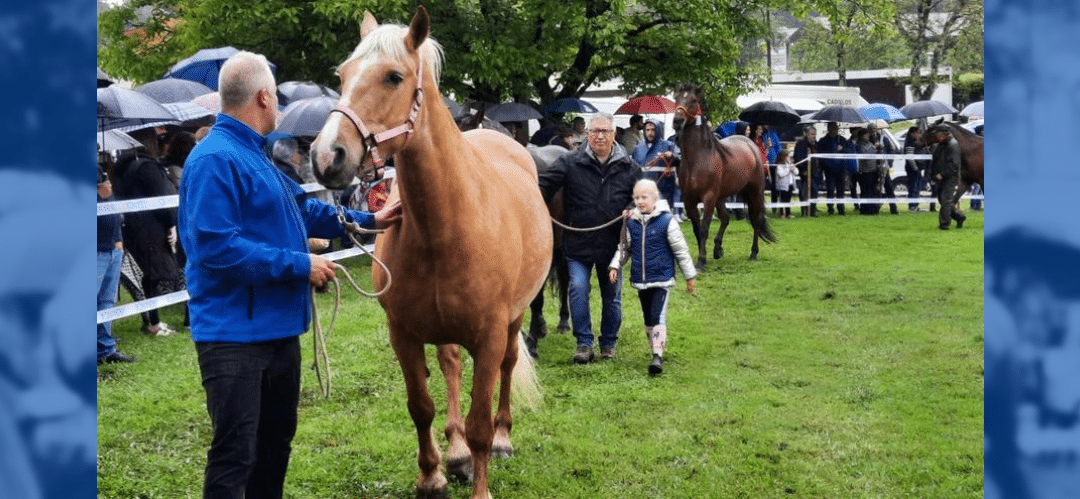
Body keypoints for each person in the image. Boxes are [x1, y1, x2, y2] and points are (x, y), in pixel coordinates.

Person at [177, 51, 402, 498]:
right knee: (235, 455)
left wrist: (372, 220)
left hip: (276, 332)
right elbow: (216, 246)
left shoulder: (257, 158)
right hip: (234, 339)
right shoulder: (214, 160)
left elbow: (303, 211)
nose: (277, 104)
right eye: (275, 96)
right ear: (263, 97)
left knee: (274, 445)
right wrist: (302, 265)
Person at [538, 112, 642, 363]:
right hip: (577, 242)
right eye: (594, 131)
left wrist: (632, 206)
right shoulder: (570, 162)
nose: (599, 136)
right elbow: (543, 186)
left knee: (612, 296)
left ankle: (608, 343)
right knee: (577, 289)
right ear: (587, 134)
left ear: (613, 134)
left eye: (605, 131)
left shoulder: (629, 167)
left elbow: (643, 196)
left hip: (612, 246)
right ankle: (584, 343)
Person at [608, 179, 696, 375]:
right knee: (648, 318)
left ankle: (657, 356)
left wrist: (689, 276)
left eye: (644, 197)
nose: (640, 201)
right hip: (641, 280)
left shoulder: (667, 221)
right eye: (636, 198)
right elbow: (624, 248)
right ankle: (654, 348)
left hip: (662, 279)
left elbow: (681, 250)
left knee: (657, 315)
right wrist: (615, 265)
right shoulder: (632, 222)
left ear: (655, 198)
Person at [112, 128, 182, 337]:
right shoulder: (146, 166)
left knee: (147, 277)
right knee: (155, 276)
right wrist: (172, 224)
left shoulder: (121, 167)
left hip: (132, 227)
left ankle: (153, 321)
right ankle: (154, 324)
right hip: (152, 229)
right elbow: (162, 198)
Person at [97, 165, 135, 365]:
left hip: (112, 248)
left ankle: (105, 348)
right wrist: (99, 193)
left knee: (106, 302)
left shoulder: (99, 170)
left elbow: (111, 202)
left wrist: (118, 238)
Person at [631, 118, 681, 218]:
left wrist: (672, 156)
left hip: (664, 191)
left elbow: (681, 160)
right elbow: (633, 170)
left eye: (653, 130)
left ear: (658, 130)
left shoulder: (669, 145)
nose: (650, 133)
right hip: (644, 192)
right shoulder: (638, 148)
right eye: (647, 130)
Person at [927, 124, 966, 230]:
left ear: (944, 134)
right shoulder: (942, 144)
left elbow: (953, 164)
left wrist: (942, 174)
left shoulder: (952, 145)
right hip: (942, 176)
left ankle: (944, 224)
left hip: (950, 177)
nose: (937, 136)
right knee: (943, 200)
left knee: (945, 200)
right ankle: (959, 216)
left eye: (938, 134)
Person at [815, 122, 854, 215]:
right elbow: (821, 155)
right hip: (829, 170)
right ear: (829, 129)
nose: (836, 130)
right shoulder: (823, 141)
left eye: (837, 128)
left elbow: (849, 152)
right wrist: (827, 165)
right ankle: (830, 208)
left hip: (841, 169)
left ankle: (841, 208)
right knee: (830, 189)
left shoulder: (842, 140)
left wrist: (842, 149)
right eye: (834, 128)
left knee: (841, 190)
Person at [793, 125, 820, 216]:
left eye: (815, 134)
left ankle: (812, 209)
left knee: (814, 191)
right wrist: (803, 170)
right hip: (804, 173)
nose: (814, 136)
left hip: (815, 172)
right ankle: (805, 210)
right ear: (807, 134)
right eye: (812, 134)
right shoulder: (801, 144)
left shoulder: (815, 144)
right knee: (804, 192)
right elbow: (798, 158)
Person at [854, 128, 881, 214]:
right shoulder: (859, 144)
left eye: (868, 134)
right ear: (861, 136)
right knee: (865, 191)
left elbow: (875, 153)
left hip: (873, 170)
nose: (868, 136)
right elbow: (864, 154)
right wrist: (872, 148)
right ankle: (865, 209)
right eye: (866, 134)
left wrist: (878, 149)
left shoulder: (869, 143)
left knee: (872, 191)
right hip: (864, 171)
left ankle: (872, 208)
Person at [902, 127, 928, 212]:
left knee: (917, 187)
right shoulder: (909, 143)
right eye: (918, 133)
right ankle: (912, 205)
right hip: (913, 169)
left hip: (917, 168)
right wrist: (915, 168)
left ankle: (915, 205)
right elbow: (910, 158)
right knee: (913, 187)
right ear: (912, 133)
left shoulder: (914, 142)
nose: (919, 135)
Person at [773, 149, 796, 218]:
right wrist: (788, 168)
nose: (788, 157)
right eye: (787, 156)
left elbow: (796, 172)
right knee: (782, 199)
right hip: (782, 185)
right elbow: (781, 174)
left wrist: (792, 167)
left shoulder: (789, 164)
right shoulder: (779, 165)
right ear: (783, 157)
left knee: (788, 200)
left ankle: (788, 213)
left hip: (790, 184)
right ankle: (781, 213)